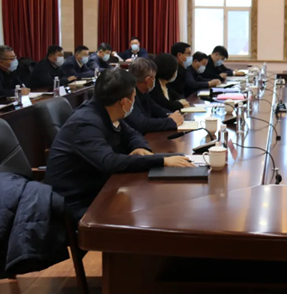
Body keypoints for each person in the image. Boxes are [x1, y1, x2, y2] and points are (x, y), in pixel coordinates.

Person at [45, 68, 193, 226]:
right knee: (151, 216)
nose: (134, 101)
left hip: (101, 188)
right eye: (133, 97)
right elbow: (110, 162)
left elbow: (133, 134)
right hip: (77, 203)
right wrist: (161, 160)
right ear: (124, 102)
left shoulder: (105, 110)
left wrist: (142, 149)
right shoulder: (85, 123)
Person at [125, 58, 185, 134]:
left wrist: (171, 115)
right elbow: (142, 123)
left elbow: (156, 109)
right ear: (148, 80)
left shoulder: (144, 92)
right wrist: (170, 121)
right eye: (154, 77)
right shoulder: (128, 94)